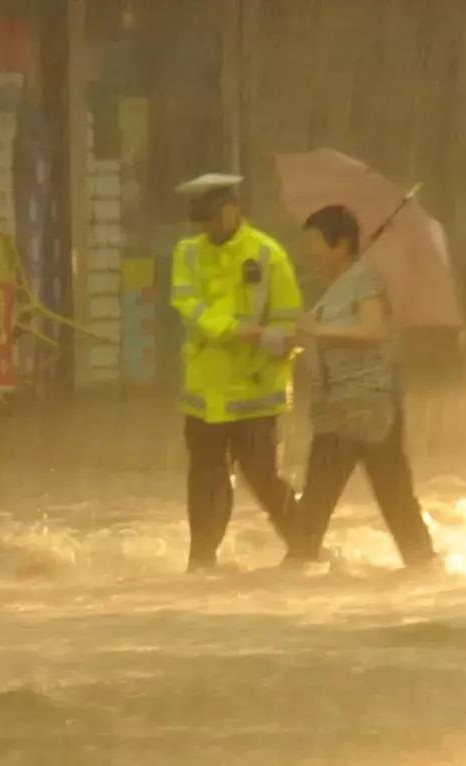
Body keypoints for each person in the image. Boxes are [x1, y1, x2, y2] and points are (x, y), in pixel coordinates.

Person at [285, 204, 437, 568]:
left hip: (367, 410)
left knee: (384, 497)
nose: (309, 252)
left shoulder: (364, 278)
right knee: (335, 500)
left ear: (340, 246)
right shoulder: (338, 287)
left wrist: (320, 330)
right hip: (340, 411)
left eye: (315, 243)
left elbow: (374, 329)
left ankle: (296, 573)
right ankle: (425, 568)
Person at [169, 173, 303, 571]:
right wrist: (230, 328)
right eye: (202, 221)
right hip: (205, 390)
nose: (208, 228)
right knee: (206, 478)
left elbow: (289, 320)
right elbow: (186, 303)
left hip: (255, 388)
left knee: (262, 476)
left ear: (234, 210)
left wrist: (268, 340)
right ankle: (202, 561)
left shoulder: (268, 254)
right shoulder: (188, 253)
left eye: (214, 218)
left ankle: (305, 546)